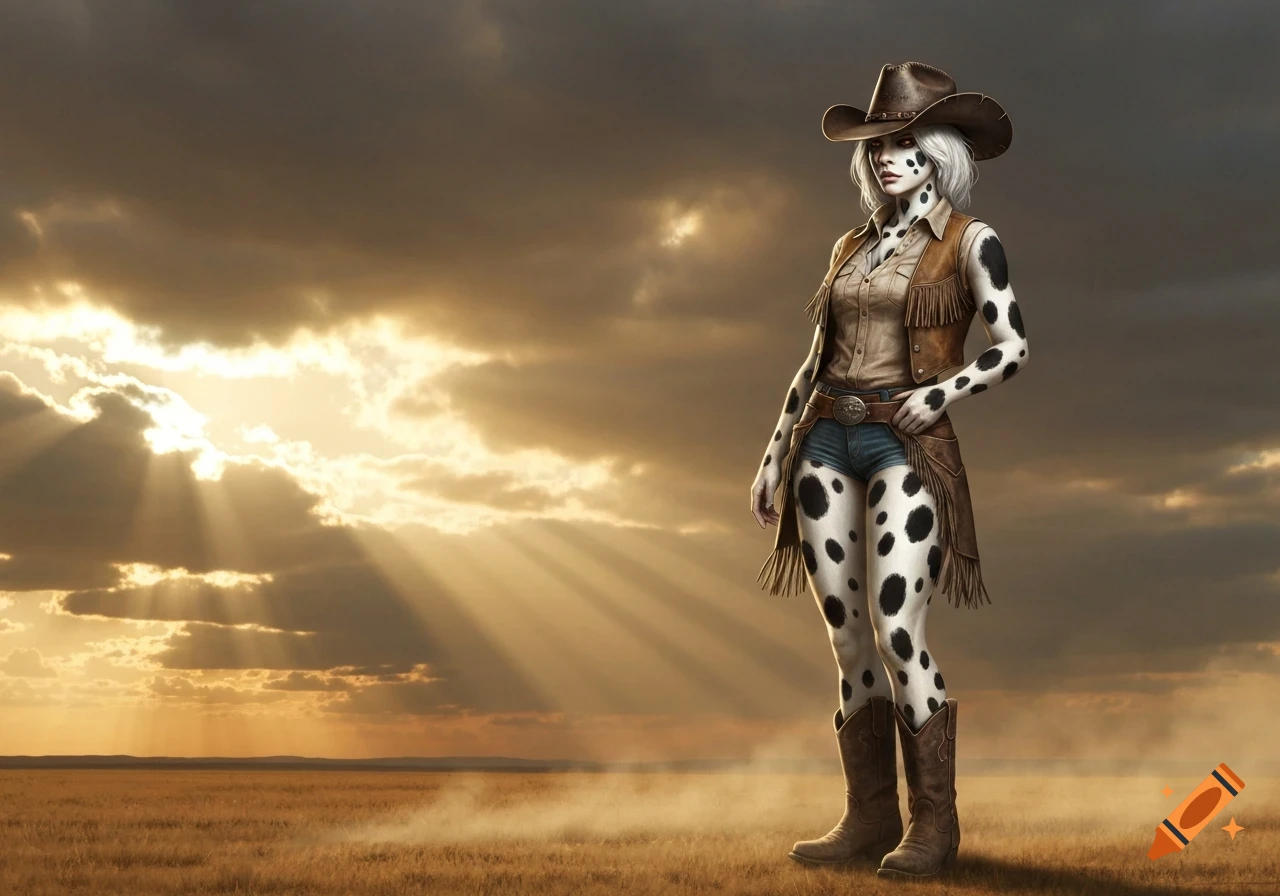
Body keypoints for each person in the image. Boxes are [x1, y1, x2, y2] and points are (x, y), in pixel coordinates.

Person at [748, 61, 1028, 879]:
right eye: (878, 145)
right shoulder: (850, 245)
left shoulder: (972, 240)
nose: (886, 158)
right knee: (846, 640)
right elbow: (814, 358)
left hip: (908, 446)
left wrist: (942, 391)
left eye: (903, 143)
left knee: (898, 631)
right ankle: (868, 818)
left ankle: (933, 829)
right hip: (825, 438)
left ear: (938, 151)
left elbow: (1012, 346)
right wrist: (772, 454)